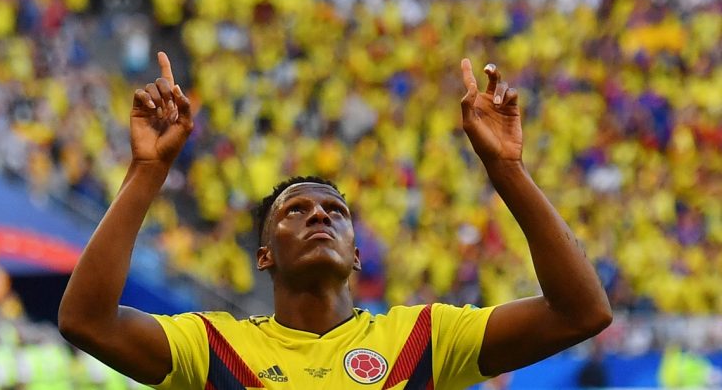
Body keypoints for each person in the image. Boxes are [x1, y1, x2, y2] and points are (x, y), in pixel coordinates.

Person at [58, 52, 612, 389]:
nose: (319, 214)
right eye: (294, 210)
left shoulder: (423, 339)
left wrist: (508, 170)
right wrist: (148, 170)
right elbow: (87, 322)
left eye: (335, 211)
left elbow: (581, 313)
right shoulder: (214, 348)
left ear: (356, 254)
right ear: (265, 255)